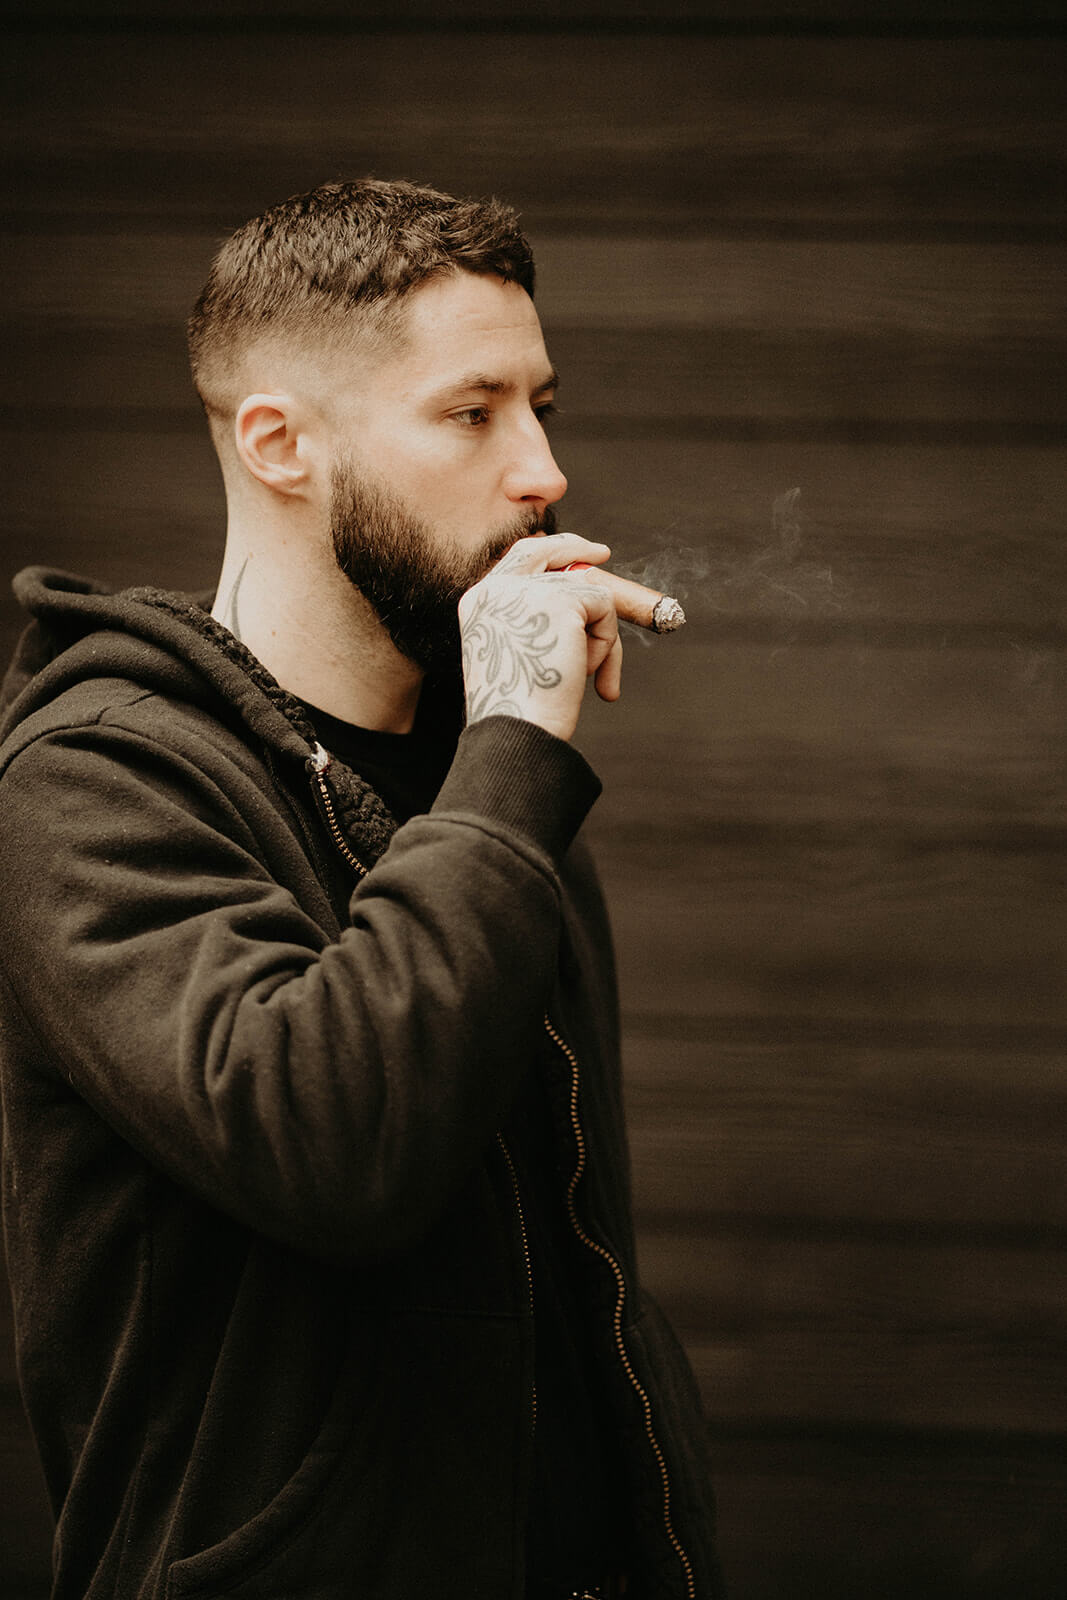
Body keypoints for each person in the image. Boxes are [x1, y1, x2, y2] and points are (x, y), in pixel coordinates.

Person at [0, 179, 722, 1600]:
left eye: (543, 406)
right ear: (279, 444)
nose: (542, 472)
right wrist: (514, 749)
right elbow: (334, 1141)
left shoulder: (493, 783)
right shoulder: (93, 785)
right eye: (474, 412)